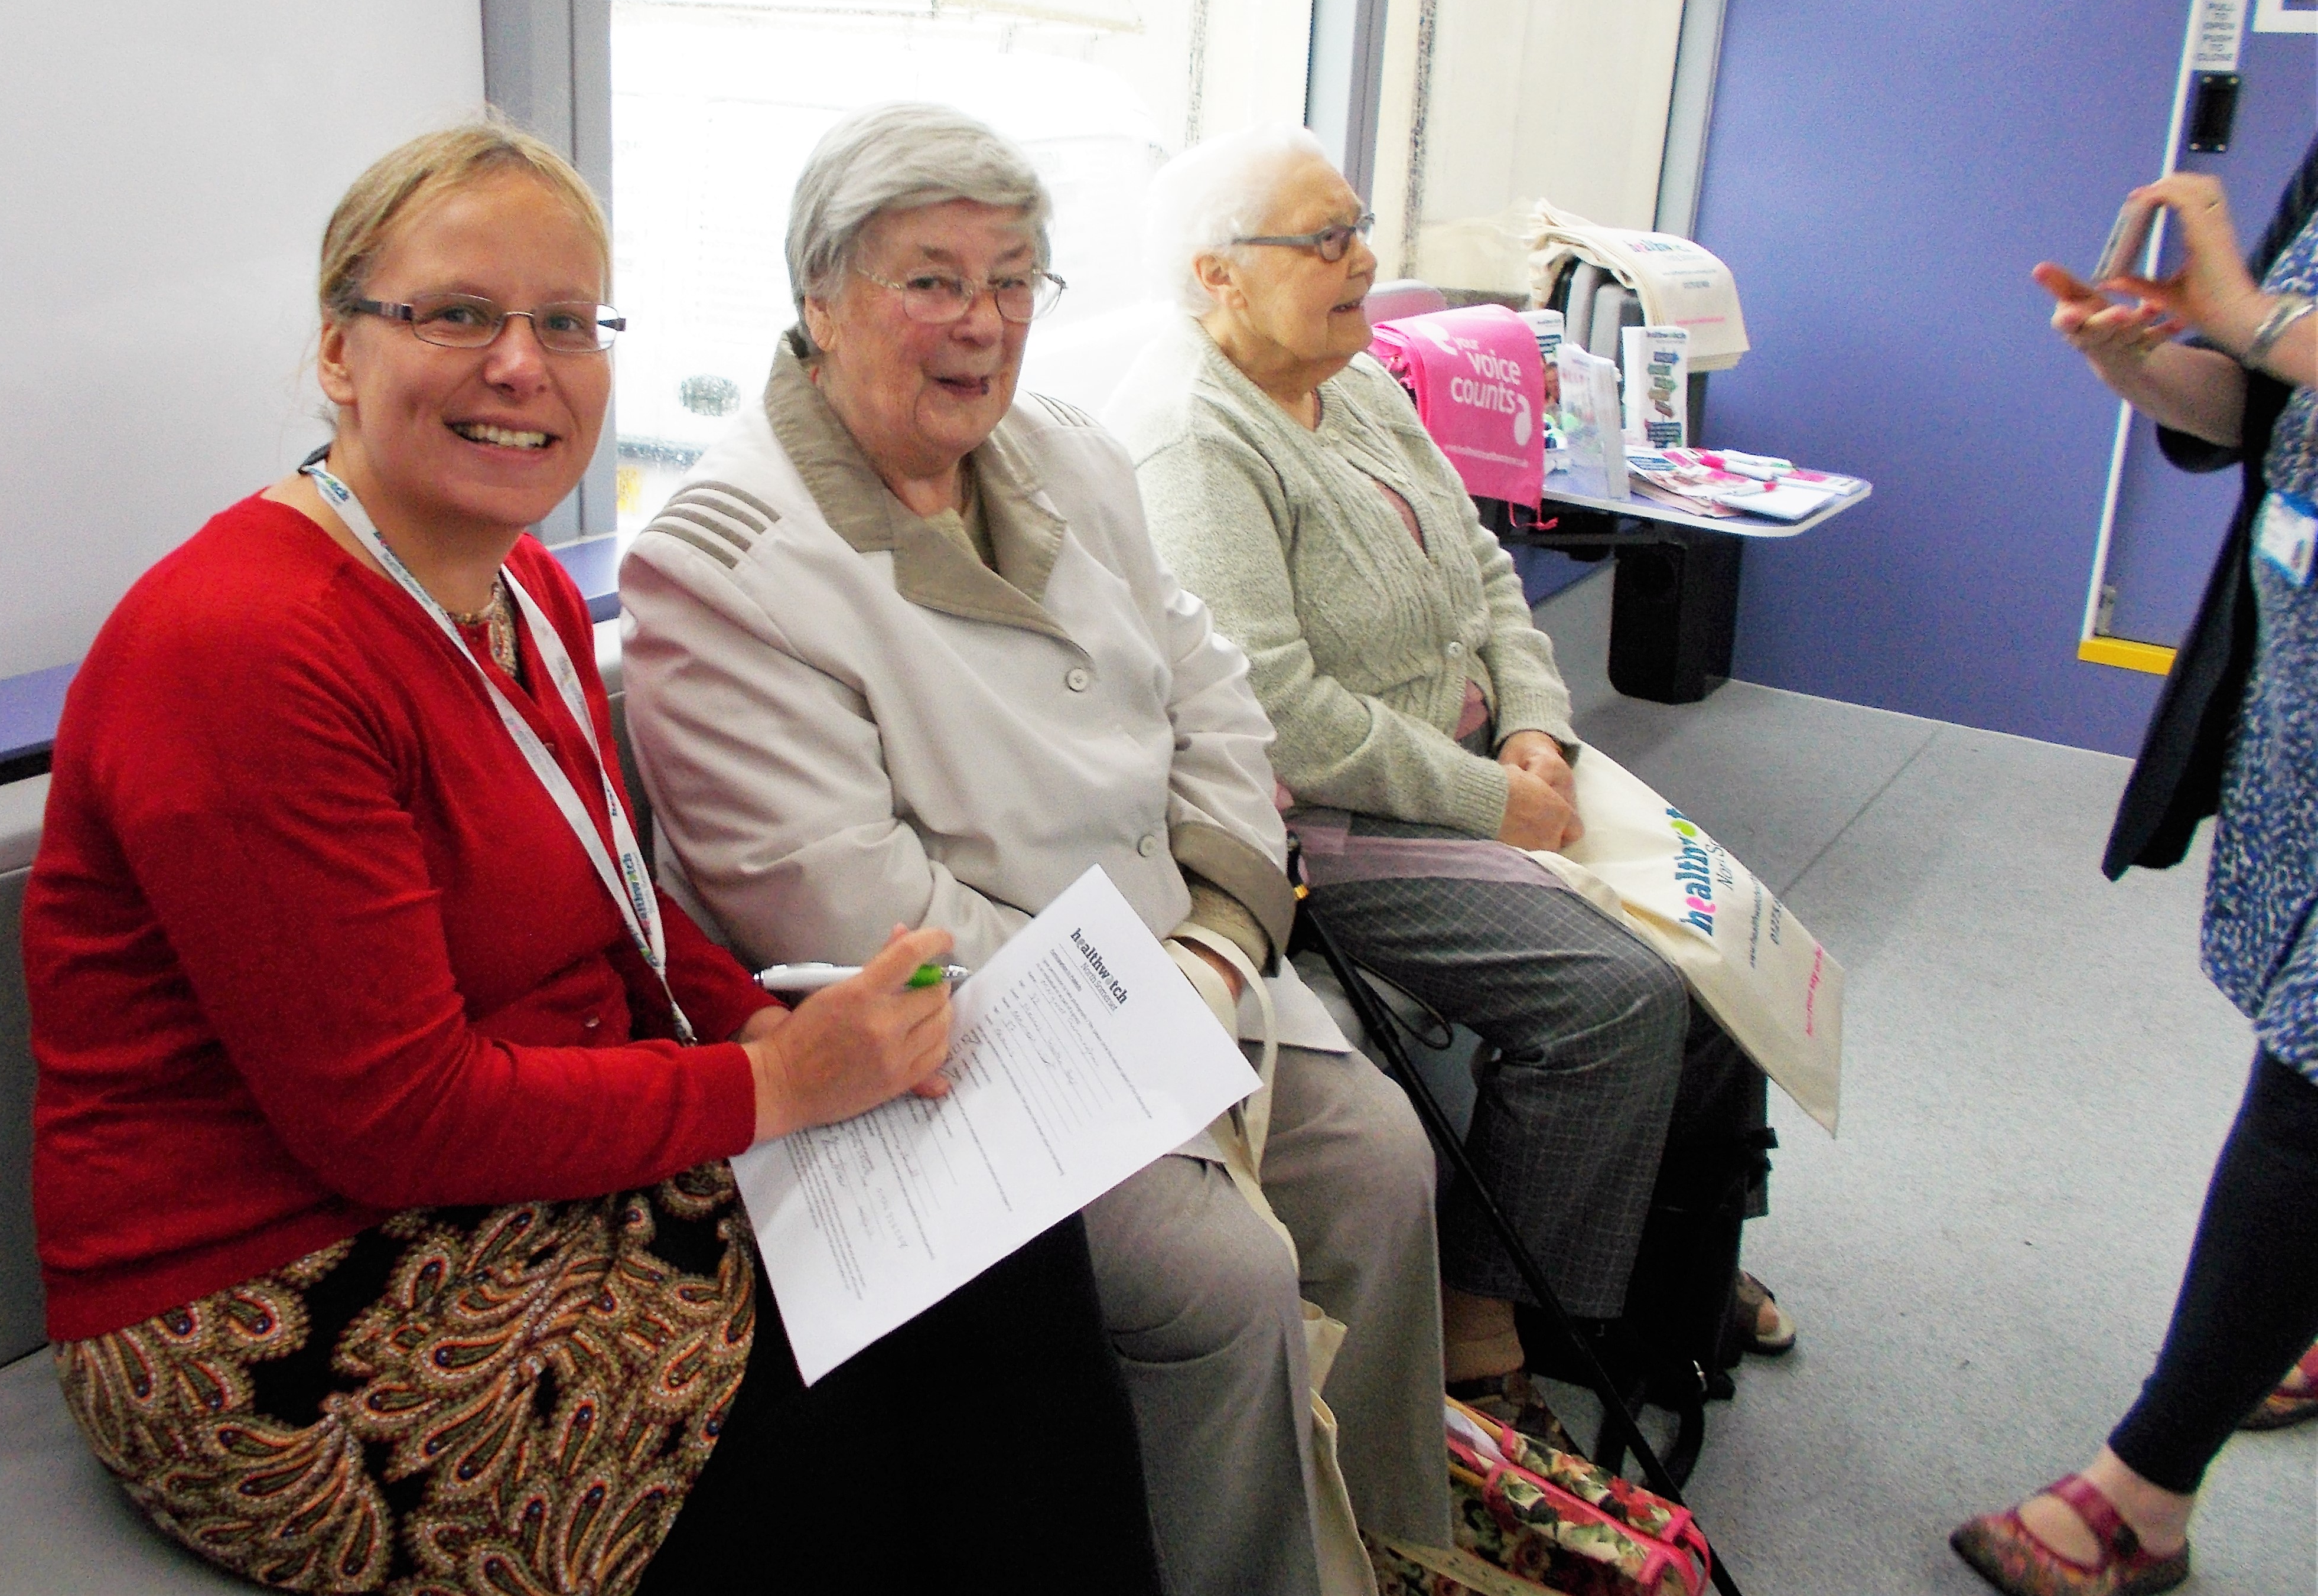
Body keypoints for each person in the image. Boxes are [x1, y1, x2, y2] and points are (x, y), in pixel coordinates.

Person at [22, 119, 1161, 1596]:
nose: (523, 365)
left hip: (521, 1189)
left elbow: (622, 906)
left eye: (566, 322)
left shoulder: (526, 600)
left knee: (997, 1251)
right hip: (280, 1291)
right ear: (337, 352)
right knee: (841, 1451)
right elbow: (395, 1122)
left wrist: (764, 1016)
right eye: (458, 314)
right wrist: (776, 1086)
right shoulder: (246, 644)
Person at [619, 103, 1450, 1596]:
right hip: (955, 1051)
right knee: (1224, 1279)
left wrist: (1212, 943)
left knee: (1386, 1161)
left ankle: (1389, 1550)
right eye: (930, 280)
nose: (982, 323)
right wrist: (1155, 1000)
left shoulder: (1065, 447)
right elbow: (856, 910)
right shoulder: (723, 553)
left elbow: (1218, 702)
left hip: (1190, 961)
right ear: (818, 296)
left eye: (1014, 280)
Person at [1103, 123, 1785, 1447]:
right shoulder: (1193, 440)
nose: (1365, 258)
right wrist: (1494, 801)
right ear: (1216, 276)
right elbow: (1279, 720)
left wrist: (1538, 721)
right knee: (1615, 998)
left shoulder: (1348, 378)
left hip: (1480, 766)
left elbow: (1481, 568)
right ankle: (1485, 1326)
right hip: (1332, 828)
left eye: (1358, 226)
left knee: (1719, 932)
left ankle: (1666, 1268)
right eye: (1325, 239)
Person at [1949, 141, 2318, 1596]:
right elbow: (2251, 400)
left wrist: (2248, 310)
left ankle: (2139, 1497)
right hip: (2301, 680)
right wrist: (2147, 363)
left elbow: (2264, 329)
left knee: (2310, 1078)